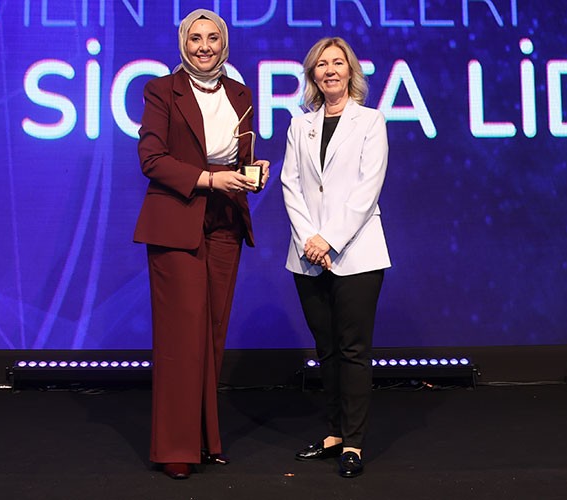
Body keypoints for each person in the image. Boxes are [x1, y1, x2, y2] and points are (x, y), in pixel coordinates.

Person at [133, 9, 270, 480]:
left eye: (213, 38)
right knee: (181, 335)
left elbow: (238, 155)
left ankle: (205, 439)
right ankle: (176, 446)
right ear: (183, 43)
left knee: (211, 332)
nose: (205, 46)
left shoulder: (241, 93)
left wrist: (254, 169)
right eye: (195, 38)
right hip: (177, 219)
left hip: (226, 219)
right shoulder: (161, 90)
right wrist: (209, 178)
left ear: (224, 44)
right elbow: (151, 159)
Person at [280, 37, 390, 478]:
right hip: (307, 255)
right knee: (325, 350)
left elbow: (367, 190)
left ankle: (354, 443)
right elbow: (290, 185)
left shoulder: (371, 121)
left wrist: (329, 240)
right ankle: (333, 433)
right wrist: (310, 240)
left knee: (352, 351)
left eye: (337, 63)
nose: (329, 70)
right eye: (321, 64)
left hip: (357, 253)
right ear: (313, 75)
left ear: (350, 71)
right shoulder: (299, 125)